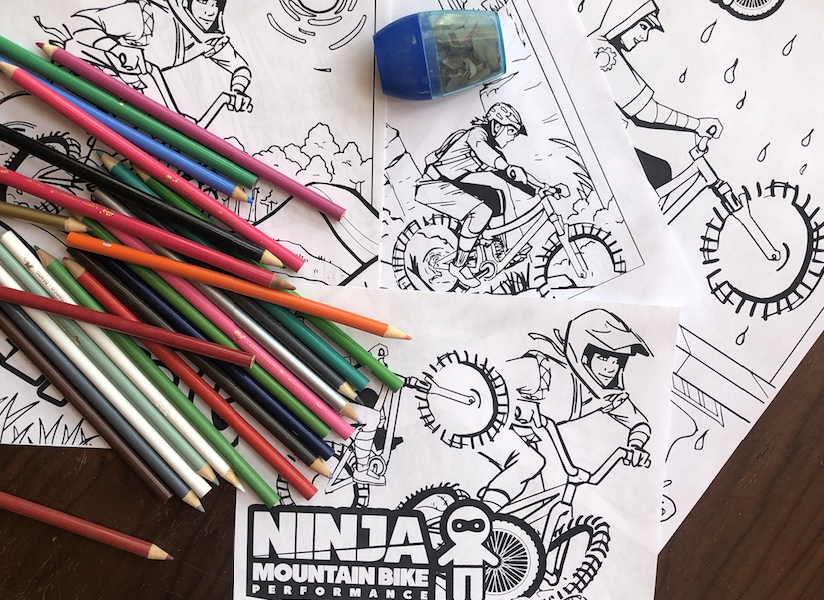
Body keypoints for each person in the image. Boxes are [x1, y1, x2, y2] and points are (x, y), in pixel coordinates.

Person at [477, 309, 652, 512]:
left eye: (617, 360)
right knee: (530, 462)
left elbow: (640, 423)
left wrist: (635, 446)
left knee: (542, 486)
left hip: (523, 434)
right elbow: (487, 375)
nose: (611, 368)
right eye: (603, 357)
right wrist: (515, 404)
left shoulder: (609, 397)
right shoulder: (543, 372)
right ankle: (479, 516)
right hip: (482, 423)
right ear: (583, 355)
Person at [586, 0, 723, 187]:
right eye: (643, 26)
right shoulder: (605, 54)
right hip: (591, 143)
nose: (644, 37)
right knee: (659, 173)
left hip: (593, 139)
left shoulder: (598, 45)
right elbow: (646, 111)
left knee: (657, 171)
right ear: (623, 19)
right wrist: (697, 124)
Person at [40, 0, 253, 116]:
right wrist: (114, 48)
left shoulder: (210, 39)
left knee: (175, 121)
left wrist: (237, 91)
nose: (209, 12)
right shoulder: (146, 16)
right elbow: (82, 21)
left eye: (216, 5)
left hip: (144, 88)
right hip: (97, 78)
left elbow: (240, 68)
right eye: (203, 1)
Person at [420, 102, 530, 288]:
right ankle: (458, 266)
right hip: (433, 185)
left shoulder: (494, 150)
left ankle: (497, 246)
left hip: (452, 182)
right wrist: (506, 167)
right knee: (481, 212)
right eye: (511, 131)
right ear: (496, 126)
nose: (512, 138)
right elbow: (485, 153)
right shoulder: (477, 134)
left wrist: (543, 188)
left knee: (496, 195)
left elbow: (514, 175)